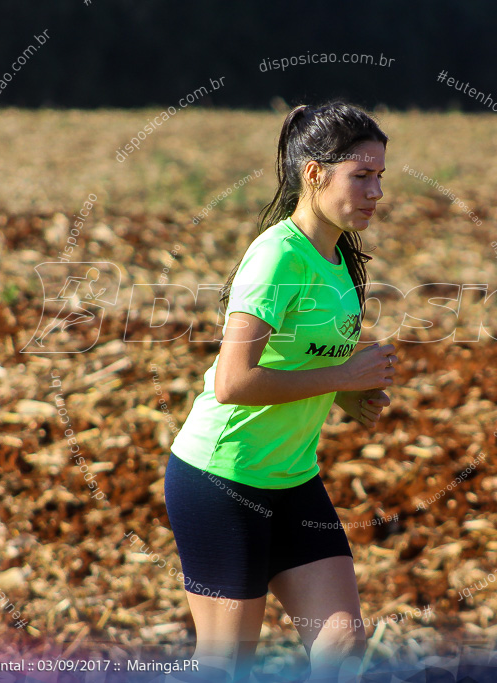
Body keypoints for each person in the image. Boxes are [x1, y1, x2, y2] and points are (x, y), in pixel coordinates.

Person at [164, 102, 395, 683]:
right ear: (315, 173)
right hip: (224, 477)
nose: (374, 192)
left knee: (341, 643)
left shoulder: (339, 255)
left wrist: (348, 396)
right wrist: (343, 377)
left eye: (380, 179)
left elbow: (304, 358)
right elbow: (233, 381)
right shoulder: (276, 257)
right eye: (360, 177)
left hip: (292, 479)